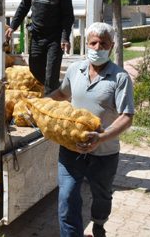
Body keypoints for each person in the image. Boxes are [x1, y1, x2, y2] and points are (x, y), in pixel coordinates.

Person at [45, 22, 135, 237]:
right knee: (67, 197)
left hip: (104, 153)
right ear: (86, 44)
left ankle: (98, 225)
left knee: (102, 196)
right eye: (93, 43)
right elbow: (61, 94)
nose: (97, 48)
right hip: (72, 148)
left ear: (111, 46)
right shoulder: (76, 69)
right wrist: (38, 103)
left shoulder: (120, 78)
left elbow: (127, 116)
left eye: (103, 43)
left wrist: (101, 137)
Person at [5, 0, 74, 95]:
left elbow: (68, 16)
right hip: (37, 36)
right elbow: (23, 7)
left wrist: (65, 37)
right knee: (34, 69)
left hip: (54, 39)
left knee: (50, 75)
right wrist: (13, 26)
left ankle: (51, 101)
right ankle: (57, 89)